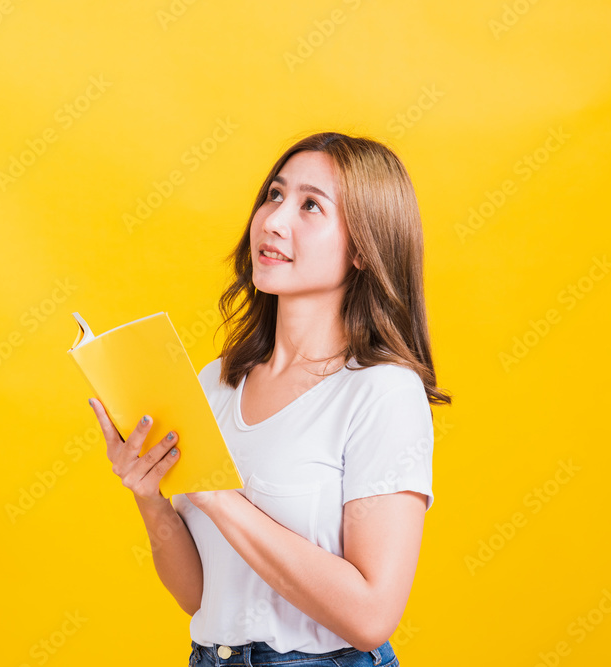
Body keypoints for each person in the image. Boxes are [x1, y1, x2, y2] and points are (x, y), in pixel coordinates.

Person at [88, 131, 451, 666]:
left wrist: (216, 493)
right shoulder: (215, 383)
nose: (274, 221)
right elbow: (201, 596)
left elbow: (372, 618)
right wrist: (149, 495)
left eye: (310, 206)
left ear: (363, 249)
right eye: (275, 195)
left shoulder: (381, 392)